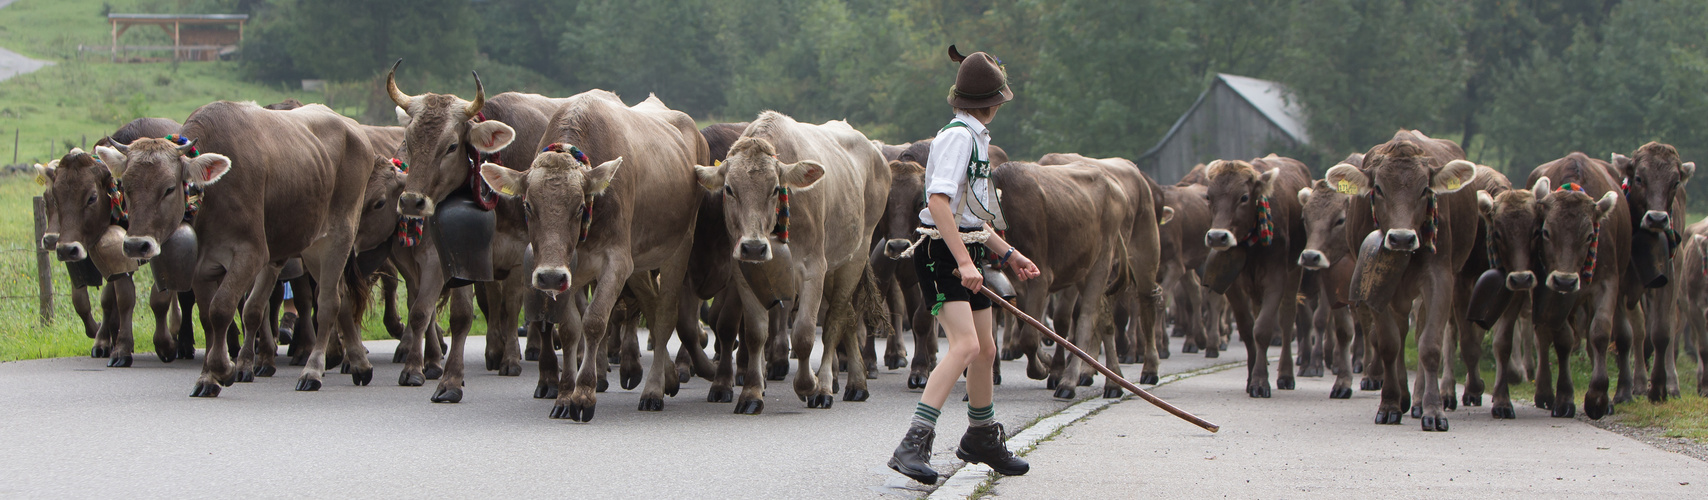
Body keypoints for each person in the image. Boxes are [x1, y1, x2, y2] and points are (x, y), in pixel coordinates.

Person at [887, 46, 1041, 485]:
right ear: (993, 102)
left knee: (986, 349)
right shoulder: (957, 138)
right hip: (942, 254)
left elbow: (971, 215)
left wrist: (1010, 254)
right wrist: (961, 260)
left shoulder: (976, 138)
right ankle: (912, 444)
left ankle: (981, 437)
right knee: (965, 346)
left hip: (968, 250)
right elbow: (937, 203)